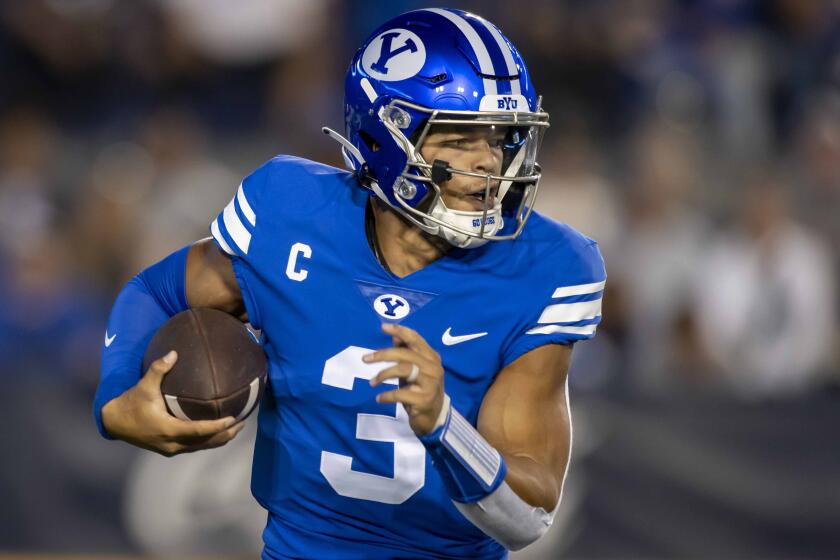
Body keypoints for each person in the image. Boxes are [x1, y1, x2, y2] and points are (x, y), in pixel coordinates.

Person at [94, 9, 606, 559]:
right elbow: (156, 292)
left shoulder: (547, 265)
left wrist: (443, 425)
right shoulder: (290, 209)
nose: (490, 164)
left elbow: (527, 518)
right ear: (383, 134)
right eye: (459, 137)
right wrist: (118, 399)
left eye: (503, 138)